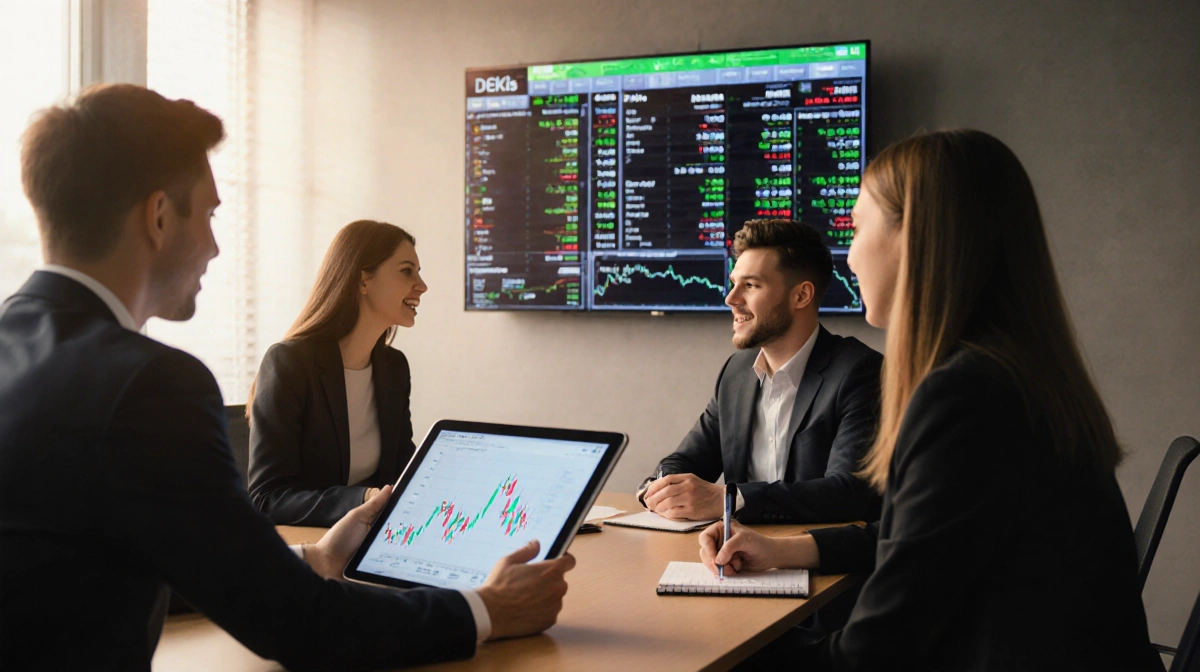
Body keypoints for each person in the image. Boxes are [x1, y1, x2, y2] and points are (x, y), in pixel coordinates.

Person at [0, 83, 574, 670]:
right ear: (159, 216)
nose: (216, 246)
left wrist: (312, 559)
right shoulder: (152, 385)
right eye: (210, 215)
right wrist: (486, 610)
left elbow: (88, 565)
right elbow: (299, 626)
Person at [699, 130, 1162, 670]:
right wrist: (788, 548)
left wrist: (713, 657)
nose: (847, 259)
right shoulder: (1009, 372)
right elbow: (919, 544)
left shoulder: (965, 396)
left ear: (916, 237)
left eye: (856, 228)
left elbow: (877, 651)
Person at [639, 219, 882, 525]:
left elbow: (847, 493)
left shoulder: (859, 372)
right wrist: (662, 488)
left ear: (801, 296)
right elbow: (685, 461)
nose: (731, 298)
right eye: (734, 282)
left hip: (818, 562)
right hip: (736, 559)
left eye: (751, 285)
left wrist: (728, 499)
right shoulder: (736, 373)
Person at [247, 219, 427, 527]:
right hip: (313, 550)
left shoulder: (394, 368)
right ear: (363, 281)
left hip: (369, 543)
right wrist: (363, 499)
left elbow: (401, 470)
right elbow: (267, 498)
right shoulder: (289, 363)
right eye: (406, 271)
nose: (421, 286)